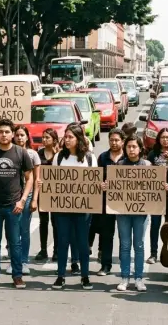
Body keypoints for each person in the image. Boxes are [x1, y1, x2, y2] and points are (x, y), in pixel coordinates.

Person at [0, 119, 34, 289]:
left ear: (12, 134)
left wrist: (23, 200)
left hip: (14, 206)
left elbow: (29, 178)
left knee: (15, 242)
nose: (4, 135)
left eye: (7, 132)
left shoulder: (20, 153)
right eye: (1, 132)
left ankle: (17, 276)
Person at [51, 124, 97, 290]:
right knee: (62, 241)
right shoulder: (59, 157)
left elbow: (94, 181)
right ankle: (60, 276)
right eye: (66, 137)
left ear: (79, 139)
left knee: (83, 243)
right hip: (62, 208)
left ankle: (85, 276)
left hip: (83, 208)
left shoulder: (89, 158)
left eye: (70, 137)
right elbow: (53, 180)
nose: (67, 140)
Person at [115, 134, 157, 292]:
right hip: (122, 211)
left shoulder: (147, 165)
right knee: (125, 245)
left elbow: (153, 187)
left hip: (141, 212)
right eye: (128, 146)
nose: (131, 149)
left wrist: (161, 187)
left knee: (138, 245)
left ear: (140, 149)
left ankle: (138, 278)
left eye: (134, 146)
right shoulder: (119, 165)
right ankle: (125, 277)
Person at [8, 125, 40, 276]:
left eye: (22, 135)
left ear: (27, 137)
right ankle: (13, 261)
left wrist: (34, 199)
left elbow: (36, 179)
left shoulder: (33, 154)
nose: (20, 137)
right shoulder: (8, 152)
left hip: (26, 197)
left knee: (24, 230)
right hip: (11, 197)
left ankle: (24, 261)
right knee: (11, 230)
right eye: (17, 135)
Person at [93, 129, 125, 277]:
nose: (114, 142)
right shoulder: (102, 157)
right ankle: (106, 265)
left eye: (117, 140)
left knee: (125, 237)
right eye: (111, 139)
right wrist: (101, 185)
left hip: (126, 203)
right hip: (106, 203)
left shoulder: (128, 158)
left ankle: (126, 268)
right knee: (106, 235)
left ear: (122, 142)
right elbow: (96, 177)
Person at [146, 128, 168, 264]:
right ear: (158, 139)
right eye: (163, 137)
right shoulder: (153, 154)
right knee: (155, 224)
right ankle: (153, 253)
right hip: (156, 195)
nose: (165, 140)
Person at [36, 129, 60, 262]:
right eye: (43, 137)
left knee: (56, 223)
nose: (44, 140)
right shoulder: (39, 154)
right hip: (42, 193)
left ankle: (56, 250)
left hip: (56, 194)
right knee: (43, 222)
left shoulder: (60, 155)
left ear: (54, 140)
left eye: (47, 138)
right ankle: (43, 249)